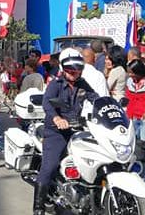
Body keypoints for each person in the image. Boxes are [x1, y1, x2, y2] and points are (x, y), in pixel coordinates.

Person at [34, 48, 99, 215]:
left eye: (78, 70)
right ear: (64, 69)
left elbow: (96, 98)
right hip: (56, 131)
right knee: (49, 166)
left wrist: (112, 107)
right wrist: (57, 118)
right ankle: (38, 208)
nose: (75, 74)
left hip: (76, 129)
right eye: (71, 70)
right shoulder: (56, 84)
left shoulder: (82, 84)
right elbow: (47, 103)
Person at [126, 59, 145, 186]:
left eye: (132, 73)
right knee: (134, 148)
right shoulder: (130, 82)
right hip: (132, 118)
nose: (130, 75)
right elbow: (128, 99)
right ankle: (136, 175)